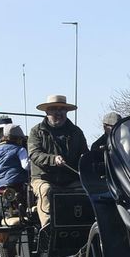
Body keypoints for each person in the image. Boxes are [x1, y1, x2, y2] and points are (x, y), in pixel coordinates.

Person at [27, 94, 89, 229]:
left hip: (70, 180)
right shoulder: (36, 132)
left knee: (87, 191)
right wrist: (53, 159)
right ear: (47, 111)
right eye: (54, 109)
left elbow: (84, 155)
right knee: (46, 190)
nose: (58, 112)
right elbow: (34, 154)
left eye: (62, 109)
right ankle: (47, 230)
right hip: (43, 178)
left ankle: (84, 226)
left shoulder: (76, 132)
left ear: (66, 112)